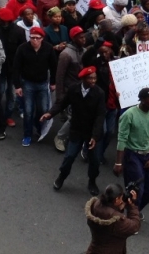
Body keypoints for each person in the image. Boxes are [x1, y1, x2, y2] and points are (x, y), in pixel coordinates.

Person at [43, 66, 105, 196]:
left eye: (95, 78)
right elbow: (62, 103)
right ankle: (62, 177)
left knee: (94, 160)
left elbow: (100, 116)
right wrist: (50, 113)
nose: (93, 81)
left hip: (92, 132)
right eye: (90, 78)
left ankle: (92, 181)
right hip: (77, 129)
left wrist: (95, 136)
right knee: (70, 156)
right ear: (83, 79)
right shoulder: (73, 90)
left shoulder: (99, 93)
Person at [114, 88, 149, 218]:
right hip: (132, 155)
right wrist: (118, 162)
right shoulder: (129, 115)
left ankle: (134, 211)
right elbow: (121, 139)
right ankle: (131, 218)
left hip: (147, 155)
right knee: (137, 190)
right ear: (143, 100)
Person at [13, 27, 57, 146]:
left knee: (43, 109)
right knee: (28, 111)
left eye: (38, 38)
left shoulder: (48, 48)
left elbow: (53, 66)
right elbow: (16, 68)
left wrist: (53, 82)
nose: (35, 40)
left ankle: (38, 127)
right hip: (28, 84)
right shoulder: (22, 49)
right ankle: (27, 135)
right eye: (32, 38)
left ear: (42, 38)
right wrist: (17, 86)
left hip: (43, 83)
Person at [53, 26, 87, 152]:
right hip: (69, 91)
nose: (84, 39)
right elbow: (59, 76)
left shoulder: (83, 51)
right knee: (73, 117)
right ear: (74, 38)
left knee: (76, 116)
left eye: (84, 37)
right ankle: (60, 137)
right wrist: (59, 96)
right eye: (81, 37)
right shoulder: (66, 54)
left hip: (81, 90)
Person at [0, 8, 26, 128]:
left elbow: (23, 50)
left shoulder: (19, 31)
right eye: (3, 21)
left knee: (12, 95)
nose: (6, 23)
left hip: (14, 69)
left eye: (8, 21)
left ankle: (7, 116)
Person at [85, 184, 141, 254]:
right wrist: (132, 207)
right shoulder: (116, 220)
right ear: (117, 199)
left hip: (94, 249)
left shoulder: (96, 205)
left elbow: (108, 211)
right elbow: (134, 226)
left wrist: (118, 208)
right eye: (121, 197)